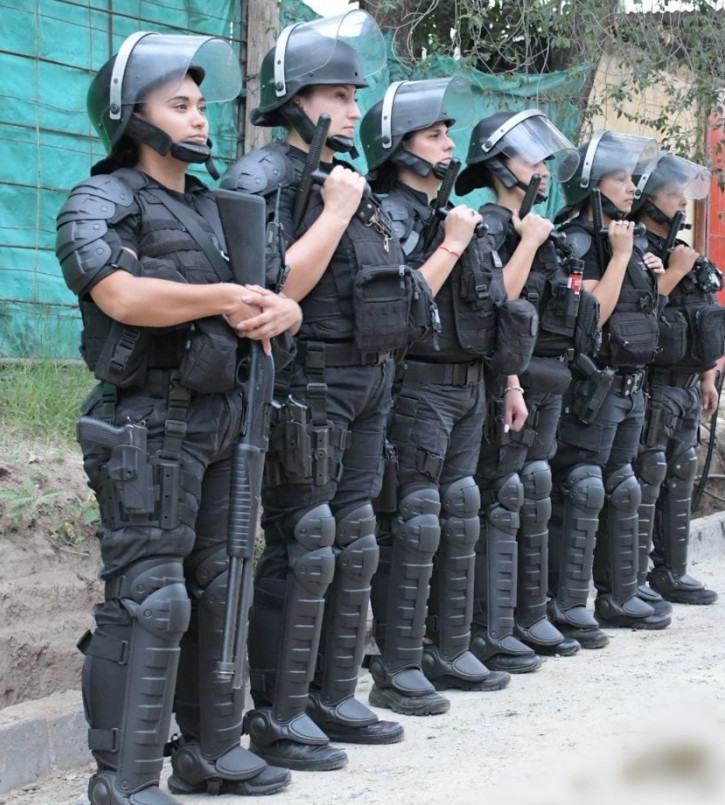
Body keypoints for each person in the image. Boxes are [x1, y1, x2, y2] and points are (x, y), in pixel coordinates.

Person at [58, 32, 297, 803]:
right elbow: (121, 295)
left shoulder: (221, 206)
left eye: (201, 104)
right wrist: (227, 299)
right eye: (181, 104)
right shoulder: (100, 200)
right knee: (151, 597)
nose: (200, 119)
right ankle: (123, 780)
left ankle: (212, 749)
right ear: (135, 116)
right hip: (147, 424)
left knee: (224, 580)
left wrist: (280, 308)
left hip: (229, 416)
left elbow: (280, 292)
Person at [218, 11, 415, 770]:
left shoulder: (348, 180)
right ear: (294, 97)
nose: (350, 103)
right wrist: (332, 212)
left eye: (353, 90)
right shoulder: (263, 177)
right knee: (304, 542)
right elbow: (265, 291)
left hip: (366, 382)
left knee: (354, 539)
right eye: (335, 90)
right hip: (304, 385)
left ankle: (334, 693)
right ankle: (280, 709)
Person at [359, 78, 523, 712]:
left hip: (470, 386)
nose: (450, 145)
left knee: (459, 513)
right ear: (397, 147)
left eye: (449, 133)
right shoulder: (389, 215)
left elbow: (494, 308)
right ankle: (398, 665)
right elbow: (399, 306)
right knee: (414, 521)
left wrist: (508, 381)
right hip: (417, 387)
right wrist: (452, 243)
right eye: (435, 134)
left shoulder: (452, 215)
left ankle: (449, 647)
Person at [455, 109, 585, 664]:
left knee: (528, 491)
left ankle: (525, 616)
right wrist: (528, 243)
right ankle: (489, 628)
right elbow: (492, 303)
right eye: (532, 160)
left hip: (533, 376)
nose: (543, 170)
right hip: (488, 381)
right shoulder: (486, 223)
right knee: (497, 499)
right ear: (499, 166)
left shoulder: (534, 228)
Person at [546, 130, 670, 643]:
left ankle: (621, 590)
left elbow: (640, 313)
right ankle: (568, 603)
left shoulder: (626, 238)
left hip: (630, 383)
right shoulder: (577, 241)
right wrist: (620, 259)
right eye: (619, 178)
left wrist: (650, 271)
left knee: (624, 484)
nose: (630, 186)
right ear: (591, 185)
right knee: (583, 486)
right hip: (592, 388)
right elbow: (592, 314)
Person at [629, 152, 725, 605]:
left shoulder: (681, 251)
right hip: (654, 383)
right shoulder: (634, 248)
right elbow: (637, 313)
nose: (682, 203)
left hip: (688, 385)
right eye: (673, 194)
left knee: (680, 473)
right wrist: (674, 271)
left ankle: (673, 571)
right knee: (647, 474)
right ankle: (631, 578)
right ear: (648, 199)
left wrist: (709, 377)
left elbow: (701, 317)